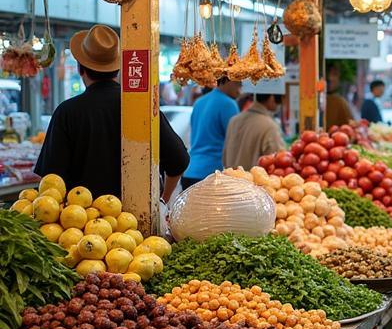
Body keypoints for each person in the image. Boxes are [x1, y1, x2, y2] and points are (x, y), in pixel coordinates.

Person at [35, 24, 189, 201]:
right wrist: (164, 198)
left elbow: (50, 179)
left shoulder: (66, 112)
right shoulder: (141, 108)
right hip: (137, 222)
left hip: (81, 222)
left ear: (80, 69)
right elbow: (179, 160)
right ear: (117, 69)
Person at [181, 76, 242, 189]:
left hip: (189, 172)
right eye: (238, 84)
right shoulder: (229, 104)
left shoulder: (199, 102)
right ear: (227, 81)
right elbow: (235, 143)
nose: (240, 90)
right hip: (213, 174)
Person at [223, 93, 286, 170]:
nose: (281, 103)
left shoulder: (234, 121)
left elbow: (225, 158)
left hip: (229, 179)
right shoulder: (269, 126)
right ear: (272, 98)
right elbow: (277, 162)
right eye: (281, 98)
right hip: (252, 181)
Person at [325, 63, 356, 129]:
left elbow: (351, 125)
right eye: (328, 75)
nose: (330, 78)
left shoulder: (340, 101)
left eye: (334, 74)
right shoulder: (339, 101)